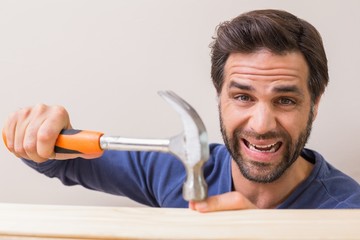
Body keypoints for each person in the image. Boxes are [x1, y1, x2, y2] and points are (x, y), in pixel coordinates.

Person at [3, 9, 360, 212]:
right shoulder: (174, 168)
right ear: (219, 96)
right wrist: (40, 132)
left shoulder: (348, 212)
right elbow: (51, 160)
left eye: (285, 100)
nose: (262, 124)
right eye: (243, 97)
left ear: (315, 101)